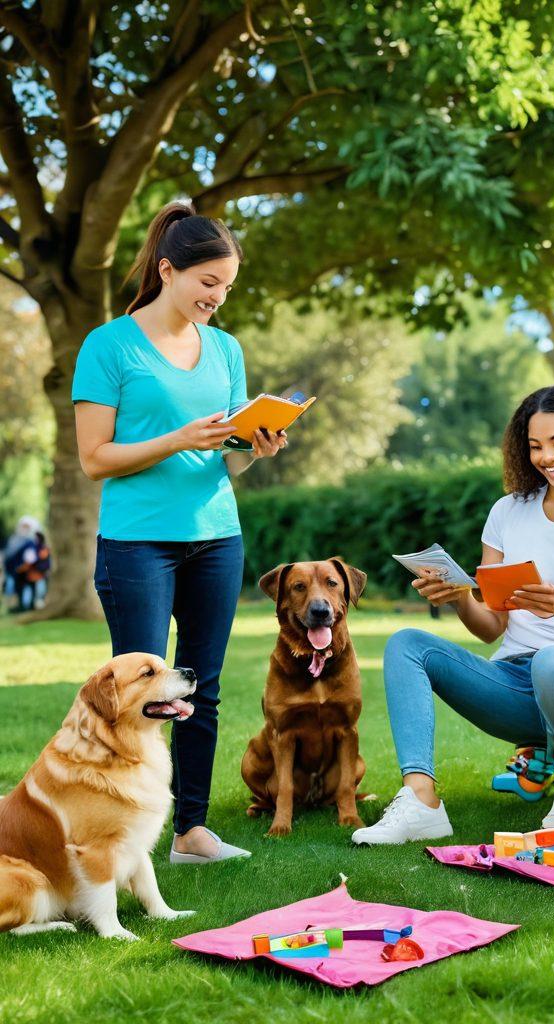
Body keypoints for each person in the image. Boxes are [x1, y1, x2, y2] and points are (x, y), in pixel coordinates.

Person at [72, 201, 287, 863]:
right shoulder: (109, 345)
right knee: (137, 694)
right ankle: (122, 838)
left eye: (227, 288)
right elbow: (93, 458)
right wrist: (176, 440)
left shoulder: (225, 350)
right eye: (208, 283)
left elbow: (226, 456)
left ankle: (190, 831)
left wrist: (257, 447)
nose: (218, 298)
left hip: (216, 535)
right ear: (168, 269)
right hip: (137, 542)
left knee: (200, 686)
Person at [353, 385, 554, 845]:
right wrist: (459, 597)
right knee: (406, 644)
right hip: (515, 684)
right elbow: (492, 626)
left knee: (553, 659)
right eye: (535, 446)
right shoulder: (507, 512)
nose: (547, 457)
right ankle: (421, 801)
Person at [3, 516, 44, 613]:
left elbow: (31, 557)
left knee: (29, 589)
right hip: (16, 571)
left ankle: (28, 606)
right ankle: (19, 606)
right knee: (17, 589)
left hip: (26, 571)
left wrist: (23, 567)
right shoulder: (15, 540)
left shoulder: (31, 541)